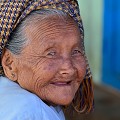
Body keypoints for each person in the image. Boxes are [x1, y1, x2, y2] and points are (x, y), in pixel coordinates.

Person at [0, 0, 94, 120]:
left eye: (76, 51)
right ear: (10, 64)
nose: (69, 69)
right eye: (51, 53)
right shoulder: (28, 111)